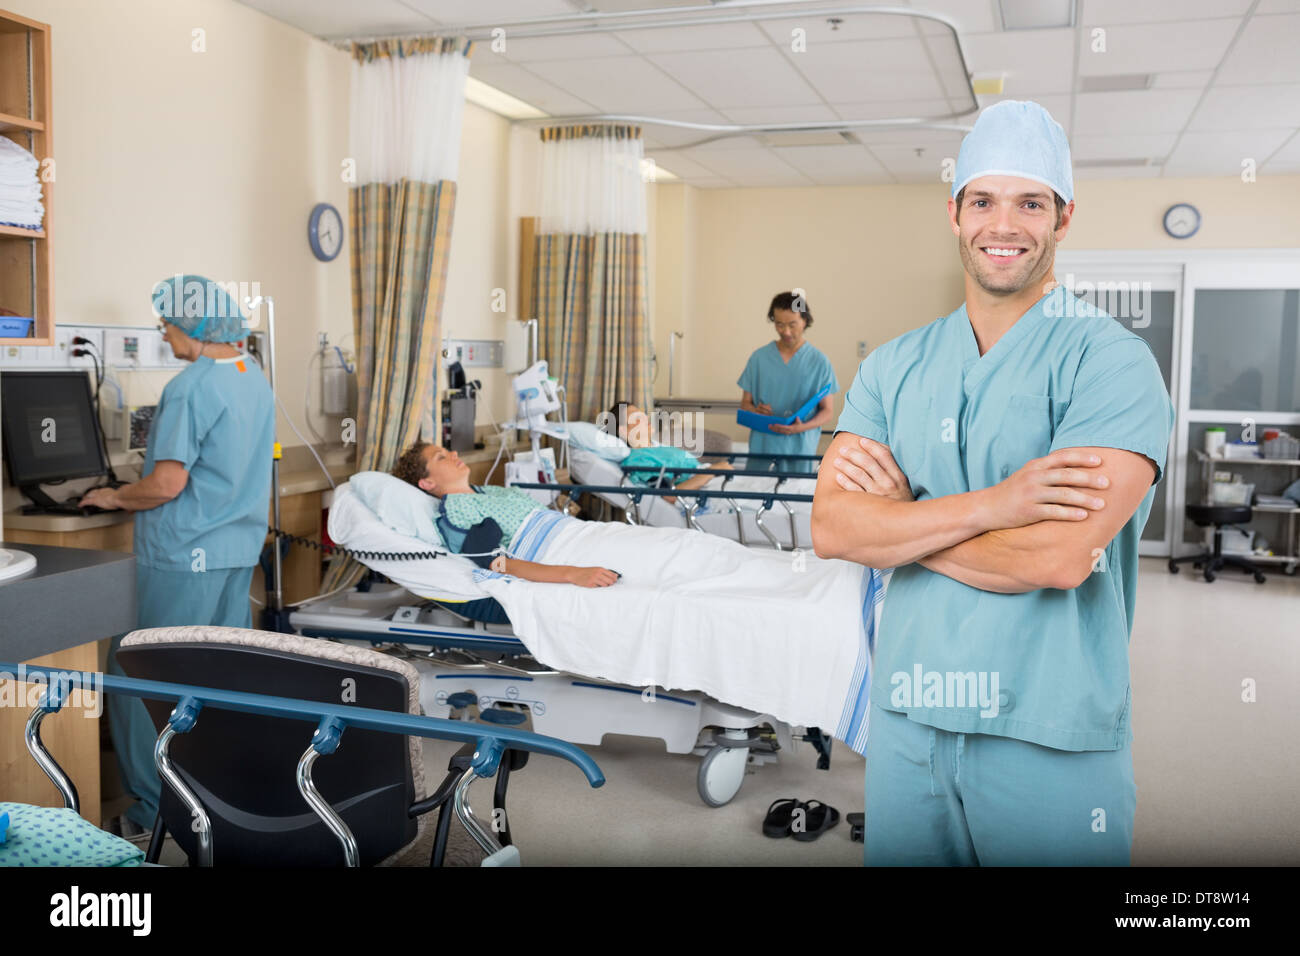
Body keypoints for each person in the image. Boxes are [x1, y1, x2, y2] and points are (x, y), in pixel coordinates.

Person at [811, 100, 1174, 866]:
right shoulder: (892, 367)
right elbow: (835, 531)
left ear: (1064, 218)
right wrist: (995, 508)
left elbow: (1057, 559)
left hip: (1046, 727)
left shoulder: (1111, 363)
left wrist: (902, 524)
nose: (1002, 225)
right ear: (954, 213)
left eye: (1029, 203)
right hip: (911, 719)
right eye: (983, 200)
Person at [80, 274, 275, 833]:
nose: (163, 334)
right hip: (235, 553)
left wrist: (113, 495)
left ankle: (150, 815)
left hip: (184, 554)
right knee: (212, 676)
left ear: (194, 323)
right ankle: (209, 804)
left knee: (143, 677)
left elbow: (166, 485)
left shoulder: (192, 386)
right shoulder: (251, 375)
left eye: (167, 322)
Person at [391, 442, 619, 588]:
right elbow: (497, 564)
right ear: (427, 482)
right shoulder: (456, 509)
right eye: (441, 457)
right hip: (566, 555)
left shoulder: (491, 490)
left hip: (584, 535)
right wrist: (571, 574)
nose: (454, 452)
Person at [737, 291, 838, 474]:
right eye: (779, 324)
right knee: (754, 498)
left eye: (792, 324)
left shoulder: (819, 362)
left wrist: (801, 427)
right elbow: (745, 403)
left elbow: (828, 411)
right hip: (763, 446)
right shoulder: (759, 358)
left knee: (795, 498)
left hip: (799, 449)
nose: (786, 331)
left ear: (805, 321)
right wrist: (755, 410)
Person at [608, 401, 732, 504]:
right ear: (623, 431)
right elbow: (669, 496)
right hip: (704, 495)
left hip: (713, 482)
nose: (645, 417)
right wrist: (712, 471)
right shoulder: (638, 459)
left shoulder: (658, 449)